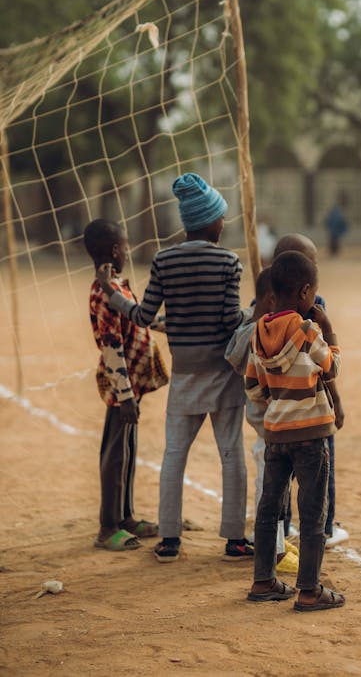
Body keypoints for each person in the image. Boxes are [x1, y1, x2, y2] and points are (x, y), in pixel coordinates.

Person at [96, 173, 252, 563]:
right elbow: (230, 322)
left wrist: (114, 297)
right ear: (211, 221)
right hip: (222, 373)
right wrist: (255, 315)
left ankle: (169, 539)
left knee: (174, 455)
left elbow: (146, 315)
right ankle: (234, 539)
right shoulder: (229, 262)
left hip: (185, 375)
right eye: (221, 217)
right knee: (231, 453)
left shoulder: (164, 260)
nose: (223, 223)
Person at [245, 250, 346, 611]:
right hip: (311, 433)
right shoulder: (307, 329)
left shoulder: (258, 331)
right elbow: (331, 367)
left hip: (276, 433)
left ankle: (263, 581)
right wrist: (328, 329)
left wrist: (279, 395)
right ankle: (308, 590)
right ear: (306, 293)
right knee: (312, 510)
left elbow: (254, 389)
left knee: (269, 507)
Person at [84, 219, 169, 551]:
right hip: (123, 386)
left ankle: (126, 516)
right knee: (115, 451)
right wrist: (125, 395)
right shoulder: (102, 291)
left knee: (128, 447)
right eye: (126, 245)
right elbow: (111, 344)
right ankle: (108, 526)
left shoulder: (116, 285)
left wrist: (179, 324)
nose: (128, 251)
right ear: (116, 250)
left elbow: (140, 319)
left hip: (133, 382)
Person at [272, 234, 348, 549]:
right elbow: (328, 366)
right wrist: (337, 400)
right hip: (314, 409)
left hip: (277, 413)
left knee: (280, 477)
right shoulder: (314, 309)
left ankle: (285, 525)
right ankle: (325, 528)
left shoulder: (263, 308)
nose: (316, 267)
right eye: (312, 262)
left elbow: (253, 377)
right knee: (320, 470)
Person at [225, 267, 300, 574]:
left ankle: (277, 542)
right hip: (269, 428)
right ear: (273, 300)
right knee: (269, 491)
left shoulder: (257, 331)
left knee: (277, 491)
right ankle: (275, 552)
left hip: (272, 427)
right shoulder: (258, 335)